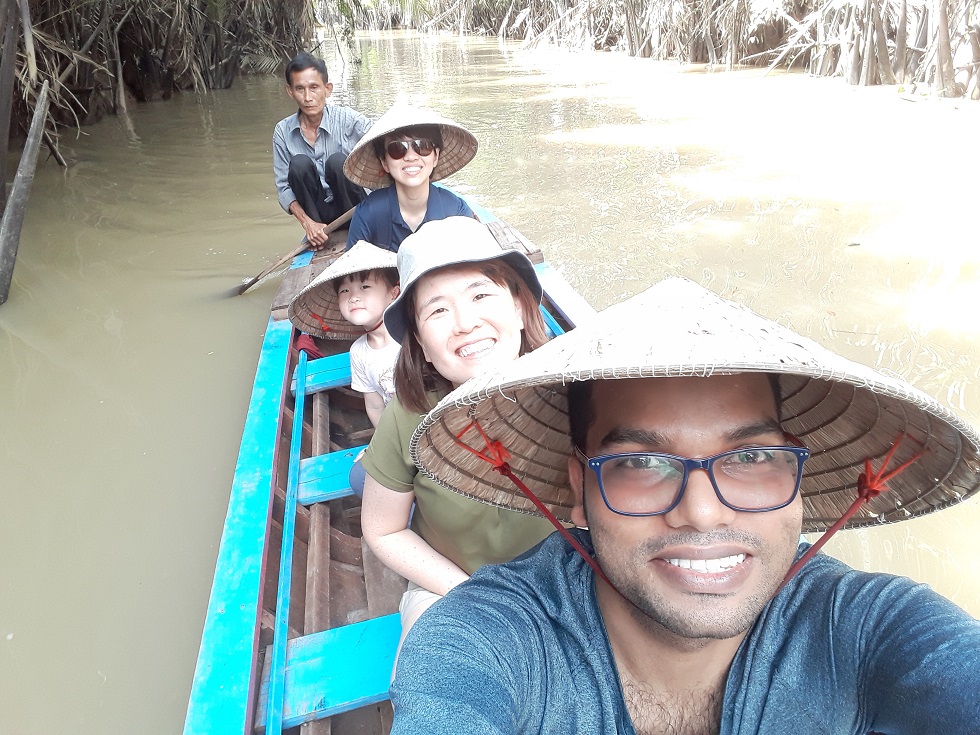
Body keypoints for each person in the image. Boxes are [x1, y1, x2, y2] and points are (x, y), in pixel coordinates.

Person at [394, 277, 980, 734]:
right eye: (641, 463)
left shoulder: (861, 625)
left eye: (751, 458)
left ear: (796, 474)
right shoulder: (492, 638)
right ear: (579, 490)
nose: (702, 513)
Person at [359, 215, 557, 657]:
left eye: (481, 294)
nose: (465, 323)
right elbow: (383, 529)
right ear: (422, 346)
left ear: (521, 309)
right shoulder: (408, 414)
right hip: (449, 584)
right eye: (438, 310)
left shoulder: (574, 394)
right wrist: (472, 594)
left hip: (564, 580)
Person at [288, 240, 400, 426]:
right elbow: (375, 406)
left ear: (393, 293)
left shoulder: (413, 335)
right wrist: (383, 444)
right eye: (344, 290)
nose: (353, 297)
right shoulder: (358, 352)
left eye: (365, 287)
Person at [342, 103, 477, 251]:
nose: (411, 157)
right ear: (384, 162)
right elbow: (353, 271)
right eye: (397, 149)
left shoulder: (456, 211)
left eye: (422, 146)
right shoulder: (368, 214)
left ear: (436, 156)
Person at [273, 52, 371, 250]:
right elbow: (284, 188)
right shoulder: (282, 132)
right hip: (318, 217)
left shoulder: (349, 120)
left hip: (353, 209)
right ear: (290, 91)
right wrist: (307, 223)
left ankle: (361, 229)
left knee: (337, 162)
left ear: (328, 89)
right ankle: (318, 236)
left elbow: (383, 142)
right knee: (299, 165)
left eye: (314, 88)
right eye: (300, 89)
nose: (308, 97)